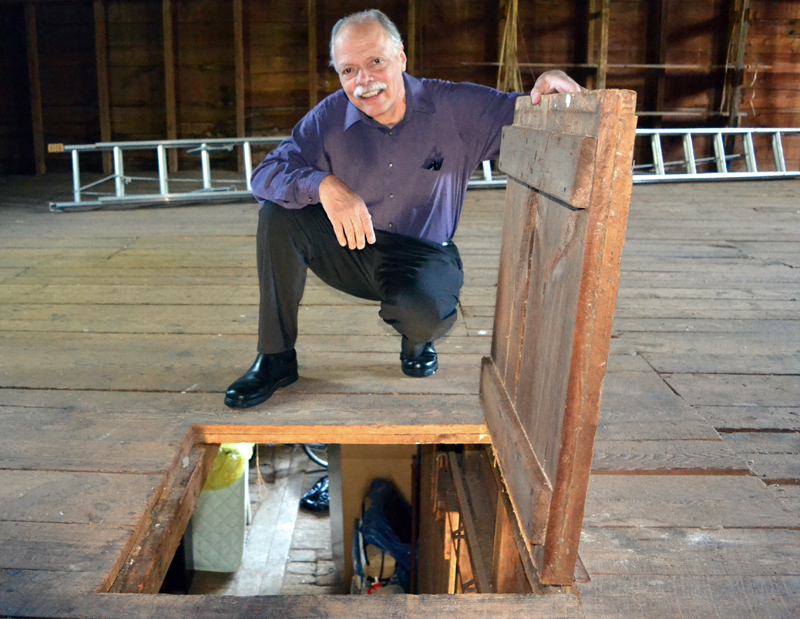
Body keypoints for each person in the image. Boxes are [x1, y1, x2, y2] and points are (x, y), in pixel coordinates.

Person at [224, 9, 581, 409]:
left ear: (401, 59)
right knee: (277, 215)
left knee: (421, 310)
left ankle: (417, 339)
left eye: (375, 62)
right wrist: (322, 184)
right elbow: (266, 174)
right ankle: (276, 358)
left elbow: (528, 114)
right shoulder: (326, 118)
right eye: (349, 70)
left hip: (424, 254)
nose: (364, 81)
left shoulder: (455, 107)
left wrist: (549, 87)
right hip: (354, 246)